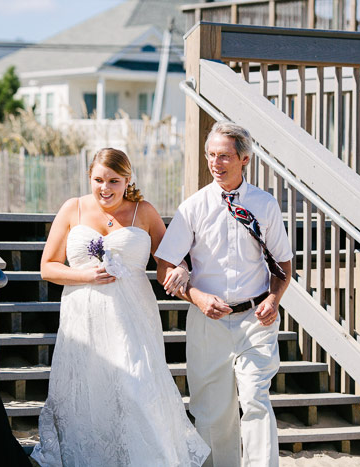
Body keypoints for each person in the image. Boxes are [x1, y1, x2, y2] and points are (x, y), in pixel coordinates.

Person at [31, 148, 210, 466]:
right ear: (89, 177)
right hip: (83, 316)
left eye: (114, 180)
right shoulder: (72, 209)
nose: (105, 187)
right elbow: (48, 267)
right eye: (98, 179)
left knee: (135, 385)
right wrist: (84, 275)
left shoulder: (145, 212)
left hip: (133, 317)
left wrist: (181, 269)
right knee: (89, 393)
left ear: (128, 179)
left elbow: (168, 263)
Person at [156, 122, 293, 467]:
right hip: (207, 321)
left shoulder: (265, 204)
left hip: (255, 319)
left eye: (225, 156)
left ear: (244, 159)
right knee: (211, 409)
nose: (216, 163)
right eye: (211, 155)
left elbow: (283, 265)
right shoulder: (194, 207)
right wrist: (198, 297)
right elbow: (164, 266)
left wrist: (274, 299)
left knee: (255, 398)